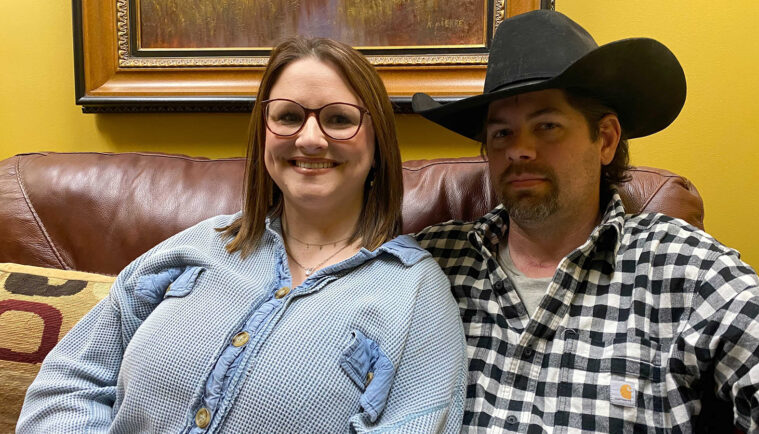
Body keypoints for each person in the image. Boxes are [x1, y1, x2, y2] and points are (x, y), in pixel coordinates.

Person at [17, 37, 466, 433]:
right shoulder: (199, 245)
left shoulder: (415, 294)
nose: (310, 138)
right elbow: (68, 381)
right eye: (288, 116)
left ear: (378, 144)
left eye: (339, 119)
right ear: (262, 136)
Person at [411, 10, 759, 433]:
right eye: (501, 133)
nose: (519, 150)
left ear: (604, 140)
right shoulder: (431, 263)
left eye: (547, 126)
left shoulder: (680, 267)